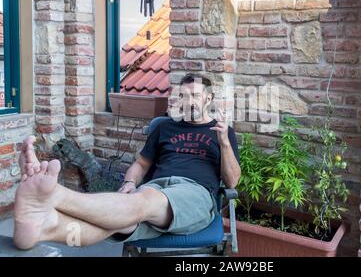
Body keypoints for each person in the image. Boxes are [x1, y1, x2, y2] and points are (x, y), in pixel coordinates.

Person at [13, 73, 241, 249]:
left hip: (194, 193)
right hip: (156, 187)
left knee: (144, 201)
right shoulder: (165, 127)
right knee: (120, 224)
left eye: (195, 95)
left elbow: (232, 182)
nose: (188, 101)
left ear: (209, 98)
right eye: (183, 95)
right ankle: (45, 228)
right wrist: (130, 182)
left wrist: (224, 143)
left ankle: (56, 196)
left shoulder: (222, 132)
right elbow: (141, 164)